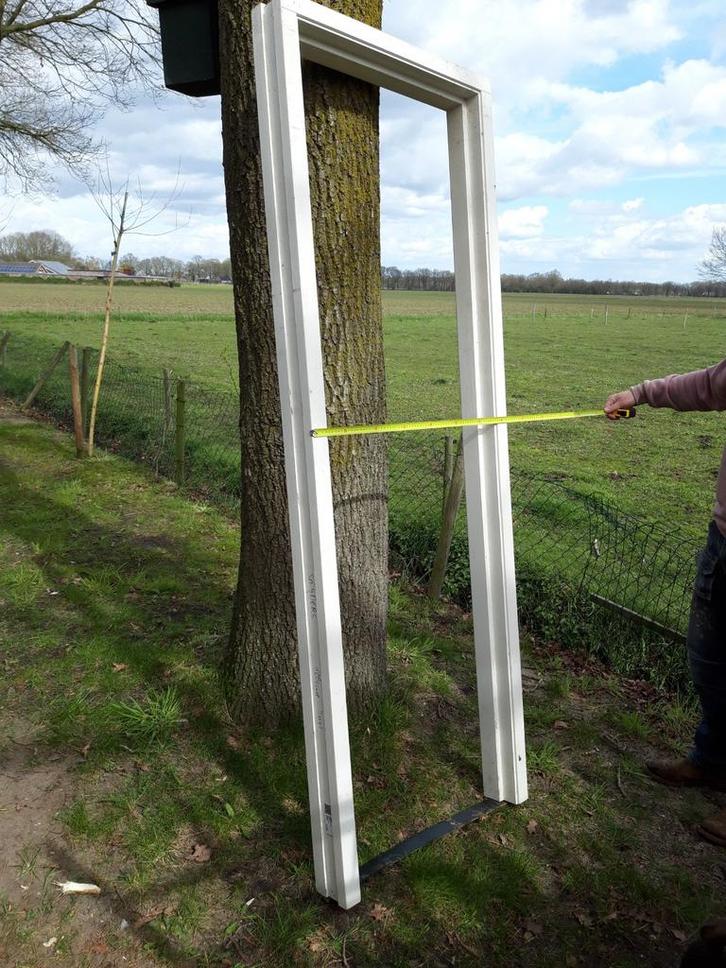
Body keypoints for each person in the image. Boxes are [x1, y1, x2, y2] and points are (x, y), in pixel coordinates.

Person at [605, 359, 726, 846]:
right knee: (708, 662)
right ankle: (711, 762)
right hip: (722, 544)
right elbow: (705, 385)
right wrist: (639, 393)